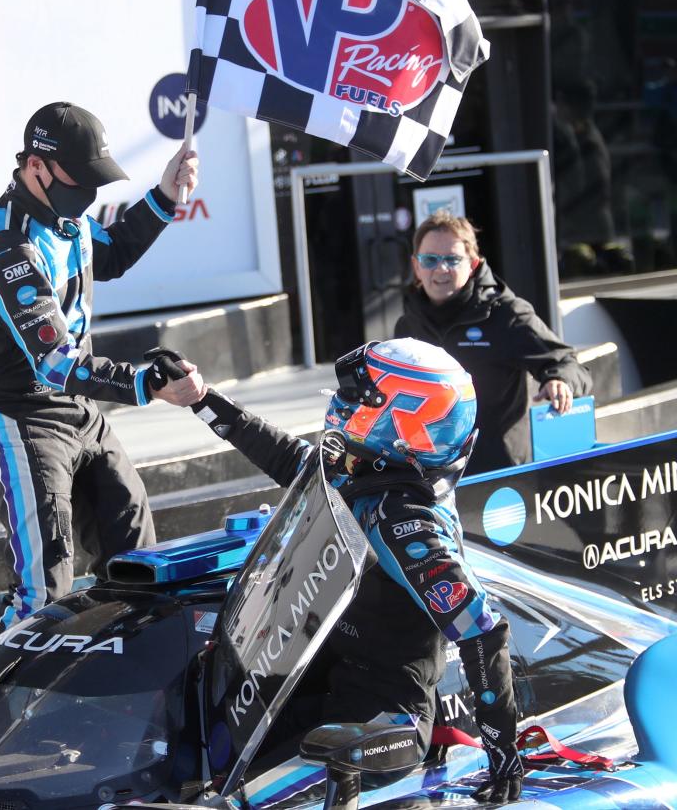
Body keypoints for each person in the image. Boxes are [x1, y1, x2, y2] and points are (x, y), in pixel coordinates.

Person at [186, 338, 524, 802]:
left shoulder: (406, 524)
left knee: (237, 797)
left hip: (385, 719)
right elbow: (289, 458)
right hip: (329, 678)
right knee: (202, 743)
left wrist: (503, 755)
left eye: (359, 399)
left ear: (403, 420)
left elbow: (482, 633)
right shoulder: (363, 472)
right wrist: (201, 399)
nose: (342, 404)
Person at [0, 101, 204, 636]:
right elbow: (52, 363)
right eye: (79, 181)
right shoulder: (10, 247)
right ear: (36, 167)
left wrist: (167, 196)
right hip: (24, 422)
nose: (87, 196)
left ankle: (131, 691)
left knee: (137, 560)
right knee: (41, 592)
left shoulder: (66, 220)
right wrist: (146, 384)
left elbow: (114, 251)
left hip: (83, 413)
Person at [395, 212, 592, 474]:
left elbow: (568, 363)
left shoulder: (505, 314)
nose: (441, 269)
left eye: (452, 259)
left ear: (473, 264)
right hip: (434, 476)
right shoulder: (408, 325)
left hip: (500, 476)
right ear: (416, 266)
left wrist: (560, 381)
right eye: (430, 260)